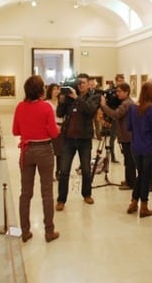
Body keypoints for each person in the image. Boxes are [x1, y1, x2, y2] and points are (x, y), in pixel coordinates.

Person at [12, 75, 60, 243]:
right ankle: (49, 231)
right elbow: (53, 133)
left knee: (25, 193)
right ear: (41, 90)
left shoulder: (20, 107)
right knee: (47, 192)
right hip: (44, 150)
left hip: (27, 151)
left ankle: (25, 231)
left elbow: (15, 131)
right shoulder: (46, 107)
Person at [55, 73, 100, 211]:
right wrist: (62, 100)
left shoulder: (93, 97)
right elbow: (59, 113)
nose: (80, 85)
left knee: (86, 170)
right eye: (78, 82)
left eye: (83, 83)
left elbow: (90, 110)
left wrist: (76, 98)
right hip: (68, 138)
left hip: (84, 139)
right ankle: (61, 199)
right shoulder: (69, 97)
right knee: (64, 170)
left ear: (88, 83)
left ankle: (87, 194)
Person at [126, 81, 152, 217]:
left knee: (141, 174)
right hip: (148, 147)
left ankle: (133, 202)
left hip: (135, 147)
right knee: (145, 176)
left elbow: (129, 127)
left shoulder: (133, 108)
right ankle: (144, 206)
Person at [100, 82, 135, 190]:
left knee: (129, 160)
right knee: (128, 159)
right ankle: (129, 179)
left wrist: (103, 105)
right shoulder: (127, 102)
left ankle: (131, 182)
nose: (117, 93)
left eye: (119, 91)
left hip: (127, 136)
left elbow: (116, 114)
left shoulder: (126, 104)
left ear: (126, 92)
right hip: (126, 135)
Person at [45, 83, 63, 179]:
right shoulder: (46, 103)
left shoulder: (62, 102)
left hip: (62, 127)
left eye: (58, 89)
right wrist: (54, 126)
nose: (56, 91)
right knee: (51, 152)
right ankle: (50, 173)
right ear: (50, 91)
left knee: (60, 152)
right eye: (54, 89)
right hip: (51, 128)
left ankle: (59, 172)